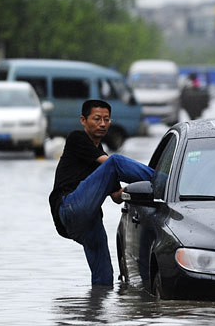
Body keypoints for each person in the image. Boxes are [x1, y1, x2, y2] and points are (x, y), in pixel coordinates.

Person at [49, 99, 154, 287]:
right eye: (97, 119)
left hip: (89, 220)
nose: (103, 124)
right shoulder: (76, 138)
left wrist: (138, 190)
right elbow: (113, 164)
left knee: (104, 277)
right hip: (69, 207)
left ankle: (96, 311)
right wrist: (155, 180)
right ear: (83, 120)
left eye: (107, 119)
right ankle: (166, 179)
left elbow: (116, 196)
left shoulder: (101, 157)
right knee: (115, 161)